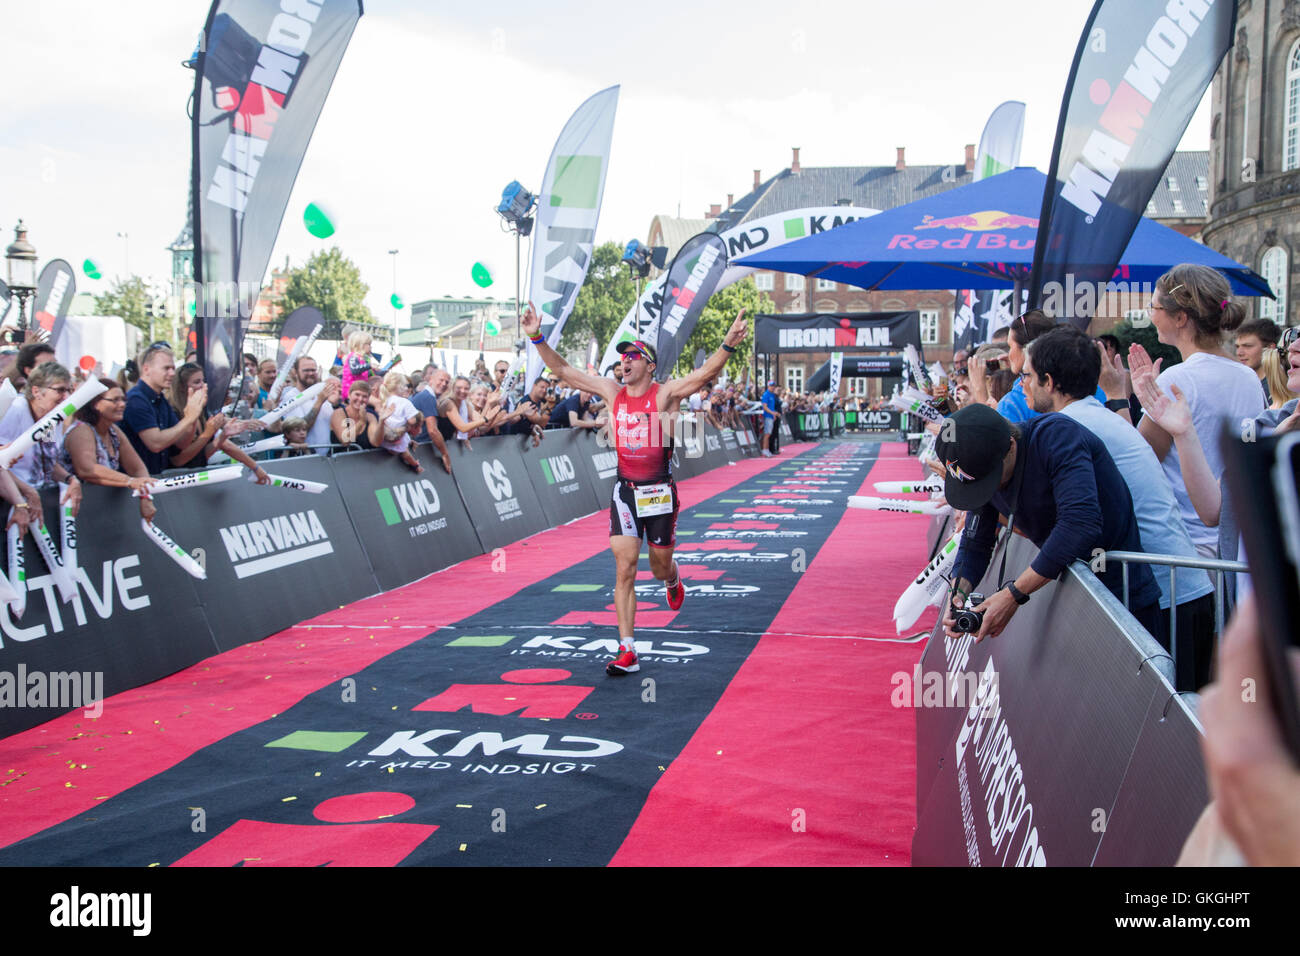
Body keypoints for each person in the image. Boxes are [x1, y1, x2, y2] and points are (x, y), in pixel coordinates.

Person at [522, 301, 749, 676]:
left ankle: (673, 577)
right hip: (625, 492)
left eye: (632, 357)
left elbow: (706, 373)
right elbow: (562, 369)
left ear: (649, 364)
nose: (624, 362)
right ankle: (627, 649)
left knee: (658, 569)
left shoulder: (665, 394)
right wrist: (535, 335)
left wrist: (727, 345)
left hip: (659, 493)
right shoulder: (612, 392)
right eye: (622, 358)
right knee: (624, 568)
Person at [1023, 326, 1216, 689]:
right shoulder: (1095, 416)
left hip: (1165, 592)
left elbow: (1065, 521)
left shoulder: (1067, 427)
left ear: (1048, 381)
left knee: (1174, 734)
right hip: (1177, 587)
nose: (1023, 385)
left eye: (1027, 376)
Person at [937, 402, 1161, 643]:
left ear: (1010, 446)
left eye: (989, 482)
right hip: (1073, 599)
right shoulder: (983, 464)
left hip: (1125, 596)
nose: (989, 491)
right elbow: (976, 542)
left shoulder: (1056, 437)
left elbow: (1080, 524)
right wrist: (958, 592)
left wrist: (1013, 595)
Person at [1134, 265, 1266, 558]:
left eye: (1153, 306)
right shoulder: (1248, 378)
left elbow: (1139, 462)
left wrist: (1118, 397)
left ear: (1180, 317)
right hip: (1233, 545)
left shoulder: (1176, 380)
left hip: (1184, 547)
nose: (1150, 314)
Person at [0, 361, 82, 518]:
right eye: (60, 390)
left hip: (38, 499)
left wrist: (70, 479)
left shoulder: (52, 417)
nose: (66, 397)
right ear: (36, 391)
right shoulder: (15, 410)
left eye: (68, 390)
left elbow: (47, 460)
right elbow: (1, 463)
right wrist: (25, 495)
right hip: (11, 504)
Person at [274, 356, 338, 455]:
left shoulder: (322, 393)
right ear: (295, 372)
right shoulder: (292, 396)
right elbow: (300, 426)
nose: (311, 373)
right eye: (306, 370)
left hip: (327, 457)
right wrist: (319, 402)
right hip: (305, 457)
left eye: (313, 370)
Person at [377, 369, 422, 472]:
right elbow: (412, 421)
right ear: (399, 386)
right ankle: (415, 465)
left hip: (384, 440)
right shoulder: (405, 402)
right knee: (405, 452)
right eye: (405, 385)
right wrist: (414, 419)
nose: (406, 388)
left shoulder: (384, 400)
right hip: (397, 440)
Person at [1234, 318, 1281, 406]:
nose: (1239, 353)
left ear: (1270, 347)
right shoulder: (1239, 383)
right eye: (1237, 346)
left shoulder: (1279, 387)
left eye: (1247, 346)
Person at [330, 378, 383, 450]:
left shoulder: (371, 417)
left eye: (364, 396)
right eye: (357, 394)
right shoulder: (338, 413)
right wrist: (361, 422)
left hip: (363, 460)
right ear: (349, 395)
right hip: (340, 459)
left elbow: (375, 442)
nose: (360, 399)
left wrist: (382, 422)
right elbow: (345, 441)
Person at [760, 380, 778, 456]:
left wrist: (773, 415)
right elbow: (765, 407)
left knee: (769, 434)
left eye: (773, 386)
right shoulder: (766, 395)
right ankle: (765, 450)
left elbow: (772, 406)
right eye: (771, 386)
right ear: (768, 386)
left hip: (770, 416)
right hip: (767, 416)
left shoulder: (772, 395)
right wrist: (773, 413)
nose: (772, 387)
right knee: (767, 434)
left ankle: (767, 450)